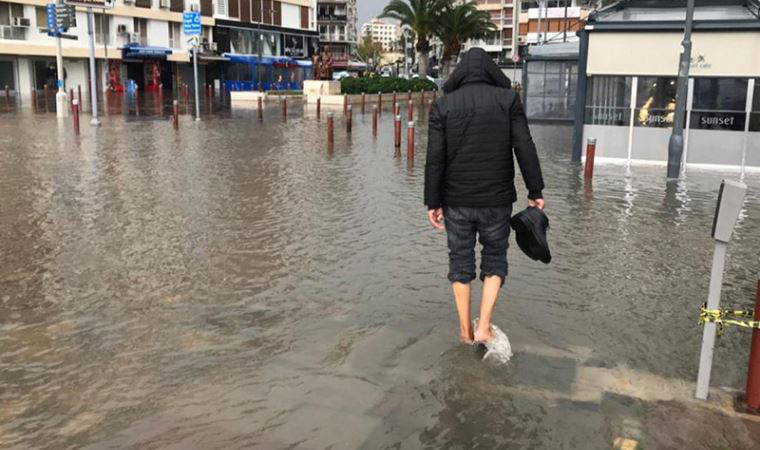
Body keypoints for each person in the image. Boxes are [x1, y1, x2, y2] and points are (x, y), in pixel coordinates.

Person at [424, 48, 545, 345]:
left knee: (459, 262)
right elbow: (525, 145)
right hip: (497, 200)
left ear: (460, 73)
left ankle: (465, 331)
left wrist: (433, 202)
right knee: (495, 259)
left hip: (456, 201)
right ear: (492, 71)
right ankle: (484, 327)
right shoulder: (508, 100)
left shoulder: (443, 105)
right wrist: (535, 191)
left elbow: (435, 158)